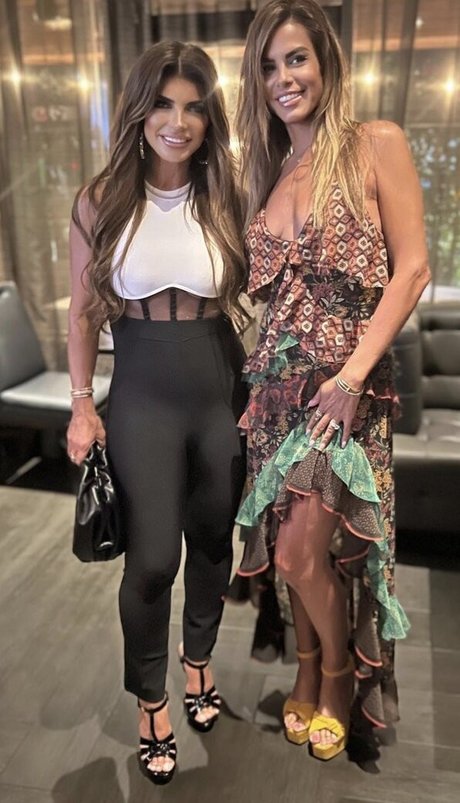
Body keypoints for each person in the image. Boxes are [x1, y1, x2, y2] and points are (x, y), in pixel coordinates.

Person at [234, 0, 430, 762]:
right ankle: (309, 666)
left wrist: (350, 377)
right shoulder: (271, 170)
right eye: (270, 66)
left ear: (325, 62)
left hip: (343, 390)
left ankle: (341, 676)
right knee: (296, 547)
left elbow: (412, 270)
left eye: (297, 59)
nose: (284, 78)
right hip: (275, 393)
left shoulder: (374, 143)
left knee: (297, 552)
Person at [66, 41, 248, 785]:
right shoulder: (99, 200)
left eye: (194, 107)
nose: (179, 122)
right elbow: (83, 312)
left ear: (210, 117)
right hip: (141, 392)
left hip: (221, 386)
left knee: (212, 542)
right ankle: (151, 699)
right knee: (150, 561)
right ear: (139, 112)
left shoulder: (229, 194)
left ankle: (197, 661)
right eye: (164, 105)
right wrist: (82, 404)